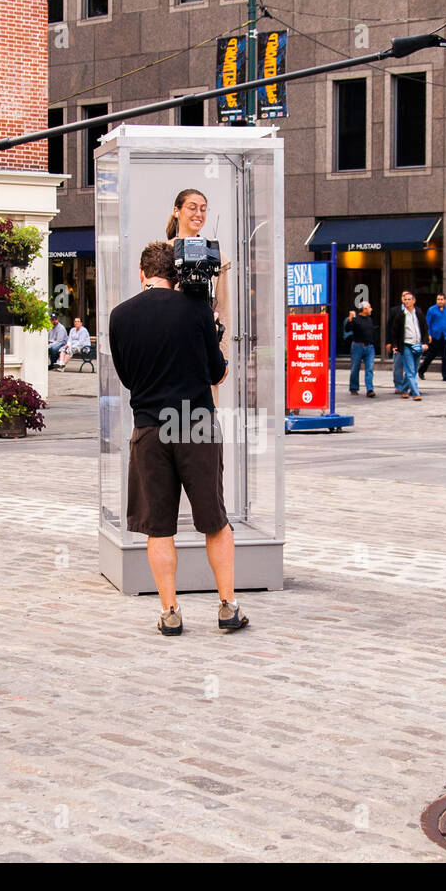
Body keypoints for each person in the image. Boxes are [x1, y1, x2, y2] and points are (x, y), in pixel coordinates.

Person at [107, 241, 248, 636]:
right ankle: (227, 607)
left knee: (160, 527)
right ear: (176, 274)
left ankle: (170, 612)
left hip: (150, 426)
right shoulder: (196, 309)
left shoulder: (120, 316)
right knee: (215, 520)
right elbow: (216, 374)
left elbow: (127, 377)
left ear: (142, 274)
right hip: (196, 422)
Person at [166, 188, 231, 405]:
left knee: (203, 424)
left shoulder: (215, 255)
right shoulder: (163, 252)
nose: (198, 214)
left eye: (203, 209)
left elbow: (224, 308)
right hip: (170, 346)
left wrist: (223, 356)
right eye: (192, 207)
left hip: (204, 346)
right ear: (177, 211)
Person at [386, 291, 423, 400]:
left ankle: (404, 388)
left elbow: (423, 327)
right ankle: (415, 393)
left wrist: (425, 341)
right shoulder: (398, 313)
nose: (406, 301)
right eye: (404, 298)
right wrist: (392, 344)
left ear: (413, 300)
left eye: (408, 299)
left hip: (416, 344)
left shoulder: (418, 312)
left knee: (414, 369)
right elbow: (392, 330)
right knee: (406, 368)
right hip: (404, 344)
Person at [419, 293, 446, 382]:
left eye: (441, 299)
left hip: (445, 336)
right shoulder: (432, 310)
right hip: (435, 336)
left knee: (445, 356)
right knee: (431, 355)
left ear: (445, 300)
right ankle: (421, 370)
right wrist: (428, 334)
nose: (440, 301)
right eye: (438, 299)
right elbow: (427, 323)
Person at [346, 302, 376, 397]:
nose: (371, 309)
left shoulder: (370, 319)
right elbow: (347, 329)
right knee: (355, 367)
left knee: (369, 368)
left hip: (369, 347)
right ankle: (354, 387)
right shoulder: (356, 319)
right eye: (369, 307)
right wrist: (350, 319)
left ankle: (370, 389)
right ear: (364, 309)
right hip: (357, 346)